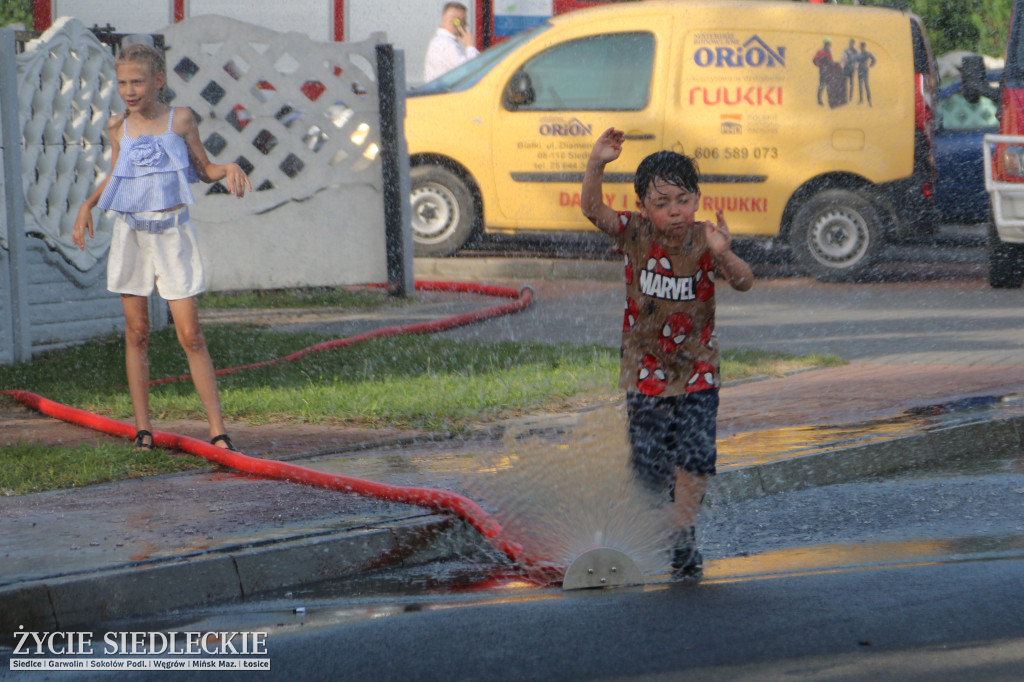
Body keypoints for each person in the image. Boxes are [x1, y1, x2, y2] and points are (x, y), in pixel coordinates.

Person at [581, 127, 754, 581]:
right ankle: (660, 524)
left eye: (682, 199)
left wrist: (727, 254)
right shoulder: (635, 234)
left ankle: (682, 532)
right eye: (662, 204)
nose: (675, 212)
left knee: (695, 455)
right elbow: (592, 210)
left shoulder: (705, 239)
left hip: (698, 372)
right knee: (650, 468)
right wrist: (597, 164)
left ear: (696, 198)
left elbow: (744, 281)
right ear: (643, 208)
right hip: (645, 376)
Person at [73, 43, 252, 452]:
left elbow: (203, 170)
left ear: (158, 80)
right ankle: (143, 429)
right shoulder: (118, 127)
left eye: (137, 81)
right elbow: (119, 177)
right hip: (131, 235)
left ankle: (218, 431)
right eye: (122, 82)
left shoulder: (181, 119)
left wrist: (228, 167)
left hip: (173, 235)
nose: (130, 90)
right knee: (137, 332)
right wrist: (87, 204)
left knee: (190, 334)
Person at [423, 2, 479, 83]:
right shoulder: (446, 44)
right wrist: (471, 46)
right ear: (456, 22)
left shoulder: (442, 41)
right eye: (464, 20)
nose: (466, 24)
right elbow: (471, 70)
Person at [812, 37, 834, 106]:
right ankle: (819, 99)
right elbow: (814, 60)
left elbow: (831, 61)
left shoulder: (829, 52)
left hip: (828, 70)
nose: (829, 45)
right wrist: (821, 65)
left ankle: (830, 99)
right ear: (826, 44)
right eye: (828, 44)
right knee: (822, 84)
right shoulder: (820, 52)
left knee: (829, 85)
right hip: (823, 71)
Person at [857, 41, 876, 106]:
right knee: (860, 86)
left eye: (860, 46)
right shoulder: (858, 54)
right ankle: (861, 100)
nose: (859, 47)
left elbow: (873, 59)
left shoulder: (867, 53)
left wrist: (870, 65)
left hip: (864, 71)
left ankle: (869, 101)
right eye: (859, 46)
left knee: (866, 85)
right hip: (859, 70)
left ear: (863, 46)